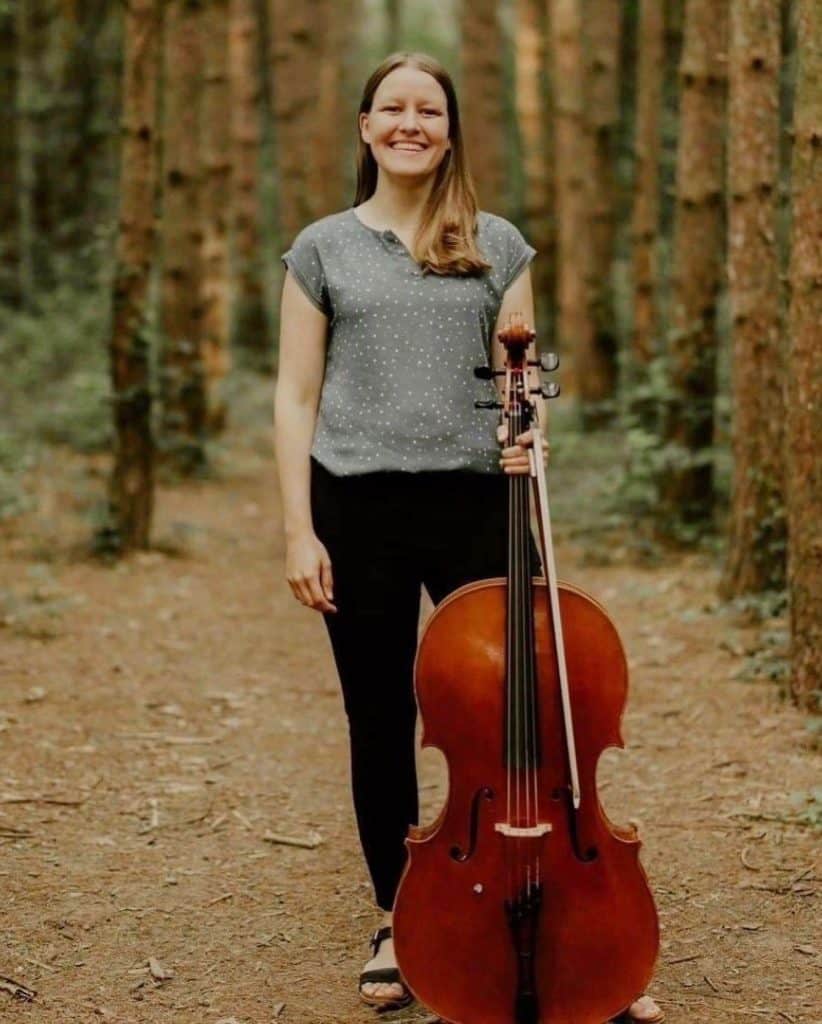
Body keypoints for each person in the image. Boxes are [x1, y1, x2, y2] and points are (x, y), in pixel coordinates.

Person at [274, 51, 663, 1024]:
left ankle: (554, 909)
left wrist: (526, 428)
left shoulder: (496, 242)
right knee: (379, 712)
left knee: (500, 712)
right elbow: (294, 395)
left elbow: (517, 371)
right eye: (392, 108)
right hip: (354, 500)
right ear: (365, 127)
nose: (410, 123)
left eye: (429, 110)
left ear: (449, 131)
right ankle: (399, 918)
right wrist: (297, 529)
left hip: (472, 499)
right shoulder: (320, 247)